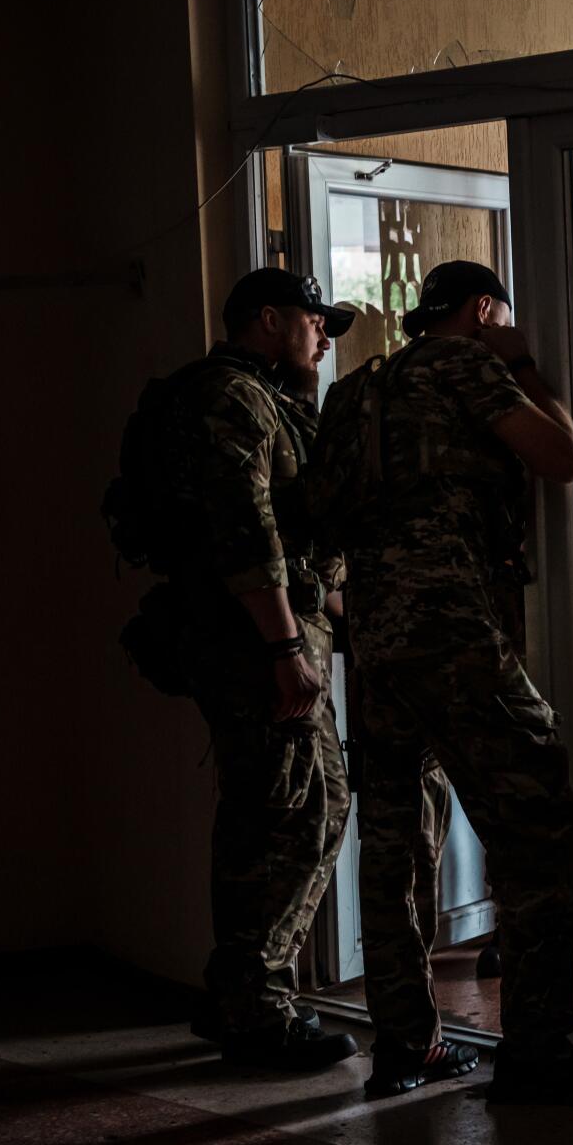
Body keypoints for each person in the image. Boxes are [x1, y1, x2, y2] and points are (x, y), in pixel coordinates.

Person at [309, 260, 573, 1100]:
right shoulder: (468, 362)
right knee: (537, 829)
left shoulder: (352, 392)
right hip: (454, 632)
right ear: (483, 309)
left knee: (392, 843)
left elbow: (321, 515)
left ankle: (406, 1046)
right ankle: (537, 1052)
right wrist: (526, 363)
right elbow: (564, 458)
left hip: (375, 640)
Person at [151, 267, 361, 1071]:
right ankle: (255, 1011)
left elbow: (303, 531)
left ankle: (240, 993)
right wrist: (283, 648)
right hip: (255, 643)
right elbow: (248, 528)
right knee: (290, 812)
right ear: (269, 320)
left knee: (294, 806)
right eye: (316, 321)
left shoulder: (264, 397)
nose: (325, 337)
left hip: (274, 632)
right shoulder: (227, 398)